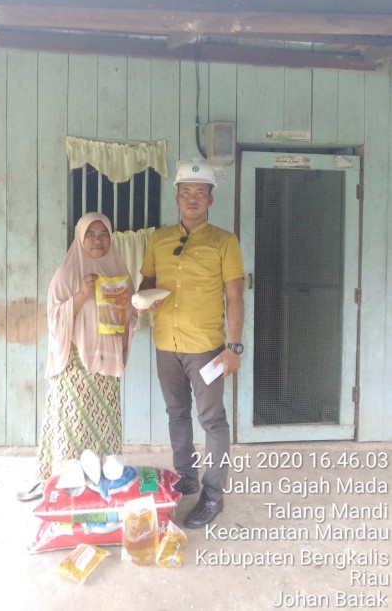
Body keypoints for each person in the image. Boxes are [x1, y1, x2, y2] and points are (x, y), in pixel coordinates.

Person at [137, 160, 245, 528]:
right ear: (177, 198)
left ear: (210, 199)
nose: (193, 199)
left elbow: (235, 297)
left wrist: (234, 347)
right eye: (186, 192)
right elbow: (146, 282)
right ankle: (186, 478)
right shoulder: (159, 239)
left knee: (213, 421)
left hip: (206, 347)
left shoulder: (224, 241)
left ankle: (214, 495)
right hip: (165, 342)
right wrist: (144, 298)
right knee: (176, 413)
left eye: (200, 192)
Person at [36, 212, 138, 484]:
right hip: (74, 365)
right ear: (80, 238)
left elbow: (130, 316)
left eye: (103, 234)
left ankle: (105, 481)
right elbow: (54, 319)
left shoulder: (118, 272)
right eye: (90, 235)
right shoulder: (66, 275)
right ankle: (69, 483)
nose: (97, 240)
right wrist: (81, 294)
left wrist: (125, 315)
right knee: (73, 425)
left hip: (106, 365)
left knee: (104, 426)